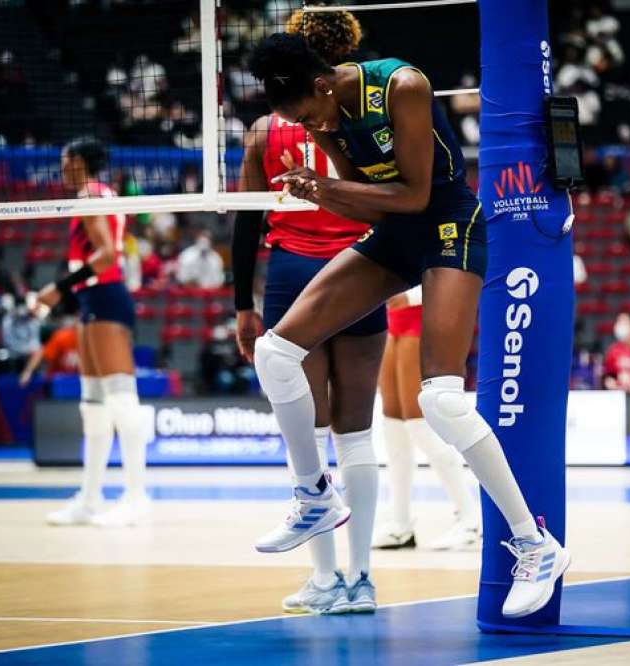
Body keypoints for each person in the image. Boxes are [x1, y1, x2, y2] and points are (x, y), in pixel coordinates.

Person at [243, 31, 569, 619]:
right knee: (275, 352)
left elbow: (416, 195)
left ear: (321, 84)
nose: (308, 126)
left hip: (447, 223)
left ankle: (535, 544)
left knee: (440, 400)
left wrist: (329, 187)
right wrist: (320, 190)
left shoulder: (400, 85)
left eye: (307, 114)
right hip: (393, 231)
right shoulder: (322, 117)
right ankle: (313, 495)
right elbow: (364, 201)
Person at [232, 8, 384, 615]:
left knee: (310, 435)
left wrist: (242, 303)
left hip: (295, 274)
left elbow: (246, 221)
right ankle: (363, 580)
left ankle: (323, 581)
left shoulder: (266, 129)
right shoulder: (358, 111)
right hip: (362, 267)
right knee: (358, 433)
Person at [33, 137, 150, 528]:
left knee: (122, 402)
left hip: (106, 297)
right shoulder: (94, 194)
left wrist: (57, 289)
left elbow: (105, 257)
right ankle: (89, 497)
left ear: (80, 161)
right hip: (90, 300)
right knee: (94, 406)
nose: (62, 166)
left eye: (65, 159)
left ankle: (136, 498)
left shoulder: (92, 195)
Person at [373, 285, 480, 551]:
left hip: (422, 319)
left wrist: (408, 296)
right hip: (393, 321)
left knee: (419, 424)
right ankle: (400, 523)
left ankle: (470, 519)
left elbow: (451, 275)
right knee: (393, 426)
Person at [19, 316, 81, 386]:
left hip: (79, 383)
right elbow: (41, 353)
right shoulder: (64, 337)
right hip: (57, 383)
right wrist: (28, 372)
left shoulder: (92, 341)